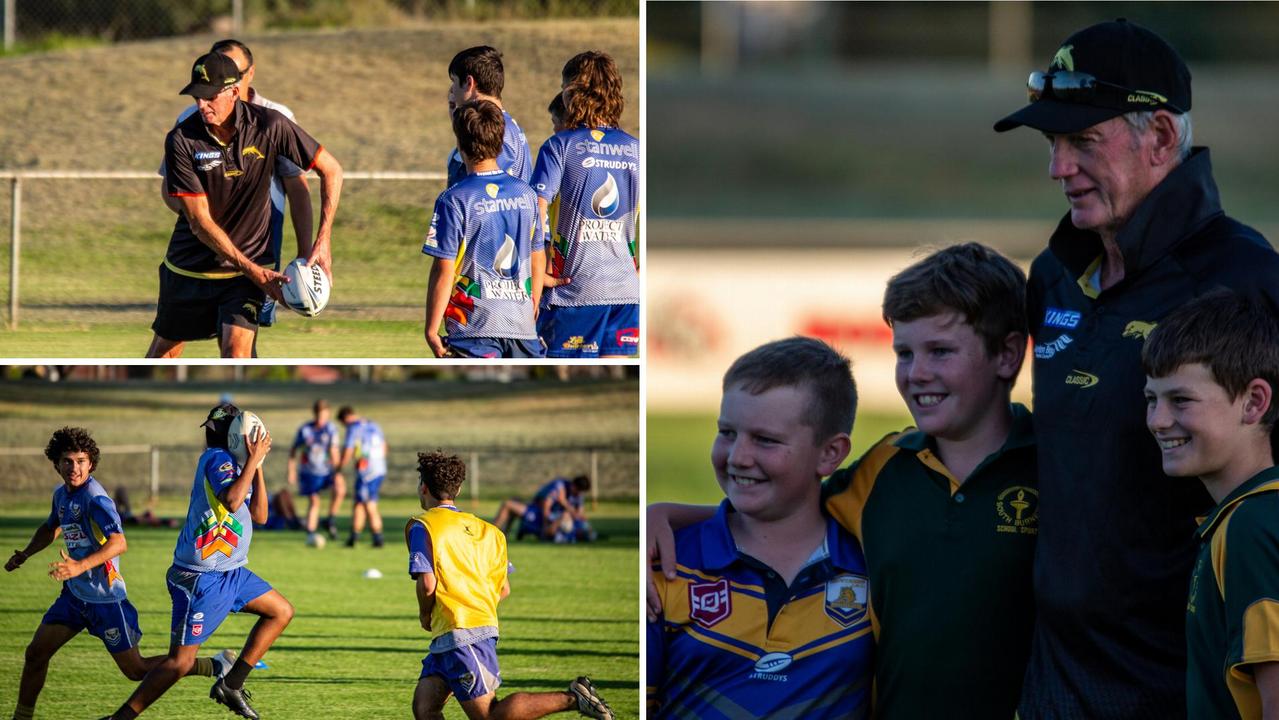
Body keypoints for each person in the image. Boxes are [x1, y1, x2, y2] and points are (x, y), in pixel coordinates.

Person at [993, 19, 1279, 717]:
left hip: (1182, 686)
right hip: (1053, 684)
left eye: (1082, 141)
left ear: (1157, 136)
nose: (1057, 168)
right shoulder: (1055, 275)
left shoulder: (1246, 279)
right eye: (1052, 144)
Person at [649, 243, 1036, 719]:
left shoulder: (1054, 465)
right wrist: (662, 516)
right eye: (904, 353)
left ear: (1008, 354)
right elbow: (789, 507)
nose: (916, 373)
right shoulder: (885, 470)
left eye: (940, 351)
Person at [647, 337, 872, 718]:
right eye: (727, 433)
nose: (738, 457)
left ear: (830, 453)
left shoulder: (873, 563)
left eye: (765, 440)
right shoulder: (666, 564)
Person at [5, 427, 221, 720]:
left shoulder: (96, 499)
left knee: (136, 670)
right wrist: (26, 553)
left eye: (81, 461)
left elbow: (120, 543)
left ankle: (211, 665)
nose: (74, 468)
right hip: (73, 598)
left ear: (91, 463)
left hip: (106, 600)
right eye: (67, 461)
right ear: (56, 463)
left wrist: (79, 566)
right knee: (35, 654)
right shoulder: (62, 496)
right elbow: (50, 527)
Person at [148, 50, 342, 359]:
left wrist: (323, 241)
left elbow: (331, 170)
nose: (201, 104)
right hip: (190, 268)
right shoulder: (182, 140)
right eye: (197, 96)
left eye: (210, 96)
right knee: (164, 355)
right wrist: (254, 271)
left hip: (246, 276)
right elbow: (199, 222)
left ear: (234, 92)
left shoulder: (271, 125)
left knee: (236, 353)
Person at [104, 404, 293, 720]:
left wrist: (256, 465)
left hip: (231, 572)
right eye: (210, 428)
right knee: (179, 663)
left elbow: (260, 515)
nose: (210, 435)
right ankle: (121, 718)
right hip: (200, 578)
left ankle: (230, 685)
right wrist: (252, 463)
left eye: (216, 430)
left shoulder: (238, 465)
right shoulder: (217, 460)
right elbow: (232, 502)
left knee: (281, 611)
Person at [1141, 291, 1279, 719]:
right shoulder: (1240, 518)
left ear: (1254, 402)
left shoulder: (1252, 526)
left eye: (1180, 400)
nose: (1158, 421)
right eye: (1151, 399)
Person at [407, 450, 614, 720]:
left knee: (490, 715)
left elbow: (427, 583)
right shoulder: (491, 532)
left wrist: (425, 613)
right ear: (458, 488)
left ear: (423, 487)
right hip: (462, 630)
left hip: (460, 633)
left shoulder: (423, 526)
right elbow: (503, 589)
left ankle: (574, 698)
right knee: (425, 708)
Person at [532, 52, 639, 358]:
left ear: (571, 92)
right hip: (626, 294)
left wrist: (537, 271)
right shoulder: (636, 149)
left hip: (573, 293)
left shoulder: (560, 146)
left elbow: (534, 210)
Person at [423, 99, 546, 358]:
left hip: (474, 330)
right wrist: (533, 303)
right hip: (522, 328)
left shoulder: (454, 199)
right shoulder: (527, 194)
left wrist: (432, 329)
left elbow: (443, 270)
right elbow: (537, 255)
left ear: (460, 145)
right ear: (500, 142)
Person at [445, 45, 532, 188]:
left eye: (454, 81)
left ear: (469, 83)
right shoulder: (503, 124)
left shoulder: (496, 129)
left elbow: (487, 189)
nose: (452, 90)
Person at [286, 398, 344, 544]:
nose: (321, 418)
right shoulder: (305, 430)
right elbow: (293, 451)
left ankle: (329, 519)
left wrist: (337, 473)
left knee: (340, 488)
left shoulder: (331, 430)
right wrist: (291, 471)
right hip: (309, 472)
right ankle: (310, 533)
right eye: (318, 415)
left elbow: (334, 452)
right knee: (314, 501)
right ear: (314, 414)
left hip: (326, 471)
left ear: (328, 414)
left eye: (324, 415)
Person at [336, 405, 388, 548]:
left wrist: (339, 468)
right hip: (379, 469)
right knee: (359, 503)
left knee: (369, 503)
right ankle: (353, 537)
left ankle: (378, 538)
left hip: (367, 473)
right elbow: (384, 447)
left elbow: (348, 450)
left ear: (345, 419)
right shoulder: (373, 425)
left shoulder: (353, 428)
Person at [493, 475, 597, 543]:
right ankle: (502, 537)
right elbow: (547, 504)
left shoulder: (571, 493)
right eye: (578, 491)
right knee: (514, 500)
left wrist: (546, 524)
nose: (578, 494)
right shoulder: (560, 485)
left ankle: (492, 537)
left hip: (540, 516)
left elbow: (578, 514)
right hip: (542, 514)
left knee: (507, 505)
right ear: (573, 485)